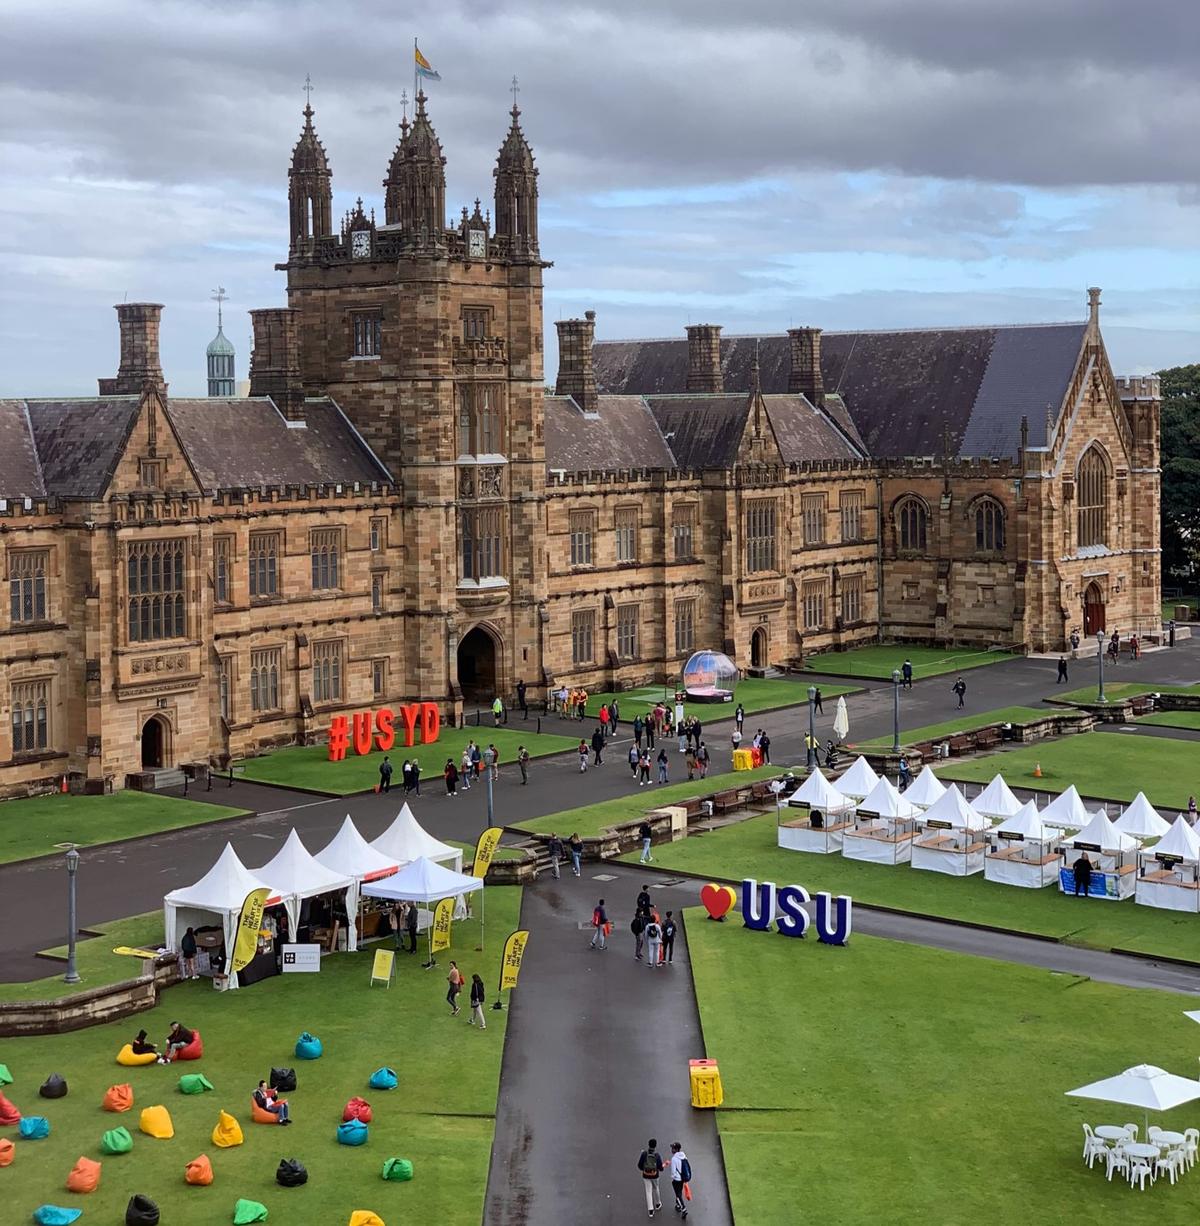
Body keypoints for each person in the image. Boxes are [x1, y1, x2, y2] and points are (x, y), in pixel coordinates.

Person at [638, 1138, 665, 1217]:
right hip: (655, 1175)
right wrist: (661, 1167)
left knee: (648, 1191)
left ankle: (650, 1210)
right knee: (656, 1188)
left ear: (648, 1145)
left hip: (646, 1175)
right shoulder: (657, 1155)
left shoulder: (644, 1154)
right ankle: (658, 1203)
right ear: (655, 1146)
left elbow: (639, 1165)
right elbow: (660, 1168)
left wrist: (645, 1169)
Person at [669, 1142, 692, 1218]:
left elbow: (673, 1172)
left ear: (676, 1149)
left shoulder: (674, 1159)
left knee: (678, 1194)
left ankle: (683, 1208)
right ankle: (678, 1205)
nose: (671, 1150)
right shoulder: (684, 1156)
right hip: (683, 1178)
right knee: (679, 1192)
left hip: (677, 1179)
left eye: (673, 1148)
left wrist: (672, 1177)